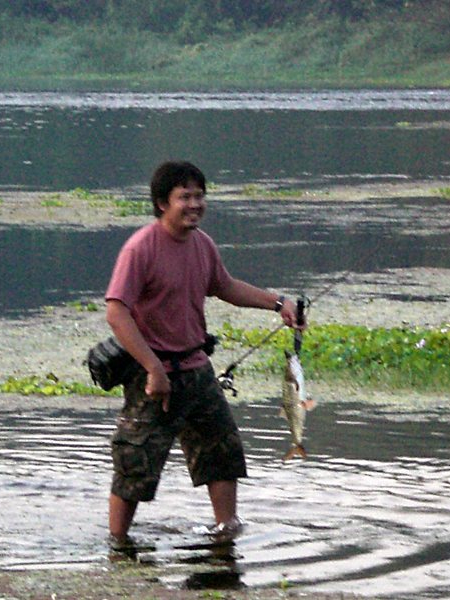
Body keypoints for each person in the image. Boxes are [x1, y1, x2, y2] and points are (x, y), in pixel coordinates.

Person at [105, 160, 299, 544]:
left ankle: (225, 534)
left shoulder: (203, 244)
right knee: (135, 465)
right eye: (185, 197)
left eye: (199, 196)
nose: (195, 204)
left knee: (222, 454)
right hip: (153, 377)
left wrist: (278, 304)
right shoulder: (140, 248)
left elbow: (224, 286)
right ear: (163, 203)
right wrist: (153, 369)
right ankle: (118, 546)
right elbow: (116, 312)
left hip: (197, 370)